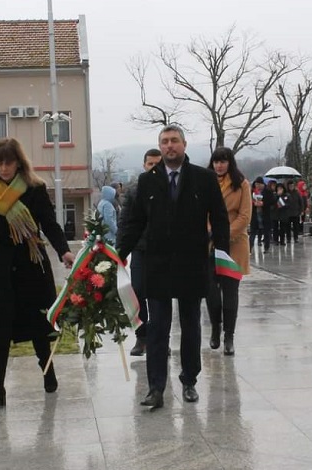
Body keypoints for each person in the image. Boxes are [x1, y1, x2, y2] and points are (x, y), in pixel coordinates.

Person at [116, 124, 230, 410]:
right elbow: (134, 223)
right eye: (164, 141)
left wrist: (222, 257)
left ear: (184, 144)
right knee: (158, 328)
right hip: (158, 264)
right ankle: (156, 388)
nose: (169, 146)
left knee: (191, 325)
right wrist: (118, 255)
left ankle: (189, 379)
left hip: (192, 264)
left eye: (174, 141)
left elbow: (219, 220)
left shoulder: (203, 179)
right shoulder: (147, 181)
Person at [0, 137, 76, 412]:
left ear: (19, 163)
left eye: (8, 162)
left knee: (37, 325)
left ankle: (48, 373)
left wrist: (63, 251)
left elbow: (49, 224)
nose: (4, 168)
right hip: (0, 268)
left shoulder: (35, 189)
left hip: (32, 264)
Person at [206, 147, 251, 356]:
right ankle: (215, 327)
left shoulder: (241, 184)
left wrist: (223, 234)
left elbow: (244, 217)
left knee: (230, 293)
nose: (219, 165)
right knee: (211, 292)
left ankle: (229, 336)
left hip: (233, 245)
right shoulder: (206, 181)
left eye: (223, 161)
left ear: (230, 163)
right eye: (216, 161)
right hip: (208, 245)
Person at [118, 148, 162, 356]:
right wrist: (119, 251)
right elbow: (124, 221)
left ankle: (161, 339)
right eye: (150, 164)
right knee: (136, 292)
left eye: (157, 164)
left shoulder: (169, 190)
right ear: (144, 165)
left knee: (161, 296)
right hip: (139, 250)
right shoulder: (134, 191)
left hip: (163, 252)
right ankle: (141, 337)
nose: (154, 168)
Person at [249, 176, 275, 253]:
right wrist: (254, 204)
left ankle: (266, 247)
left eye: (260, 184)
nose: (258, 186)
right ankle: (250, 248)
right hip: (255, 215)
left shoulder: (268, 191)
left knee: (266, 232)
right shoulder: (252, 192)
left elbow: (272, 201)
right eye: (256, 184)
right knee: (253, 232)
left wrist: (263, 203)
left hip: (265, 214)